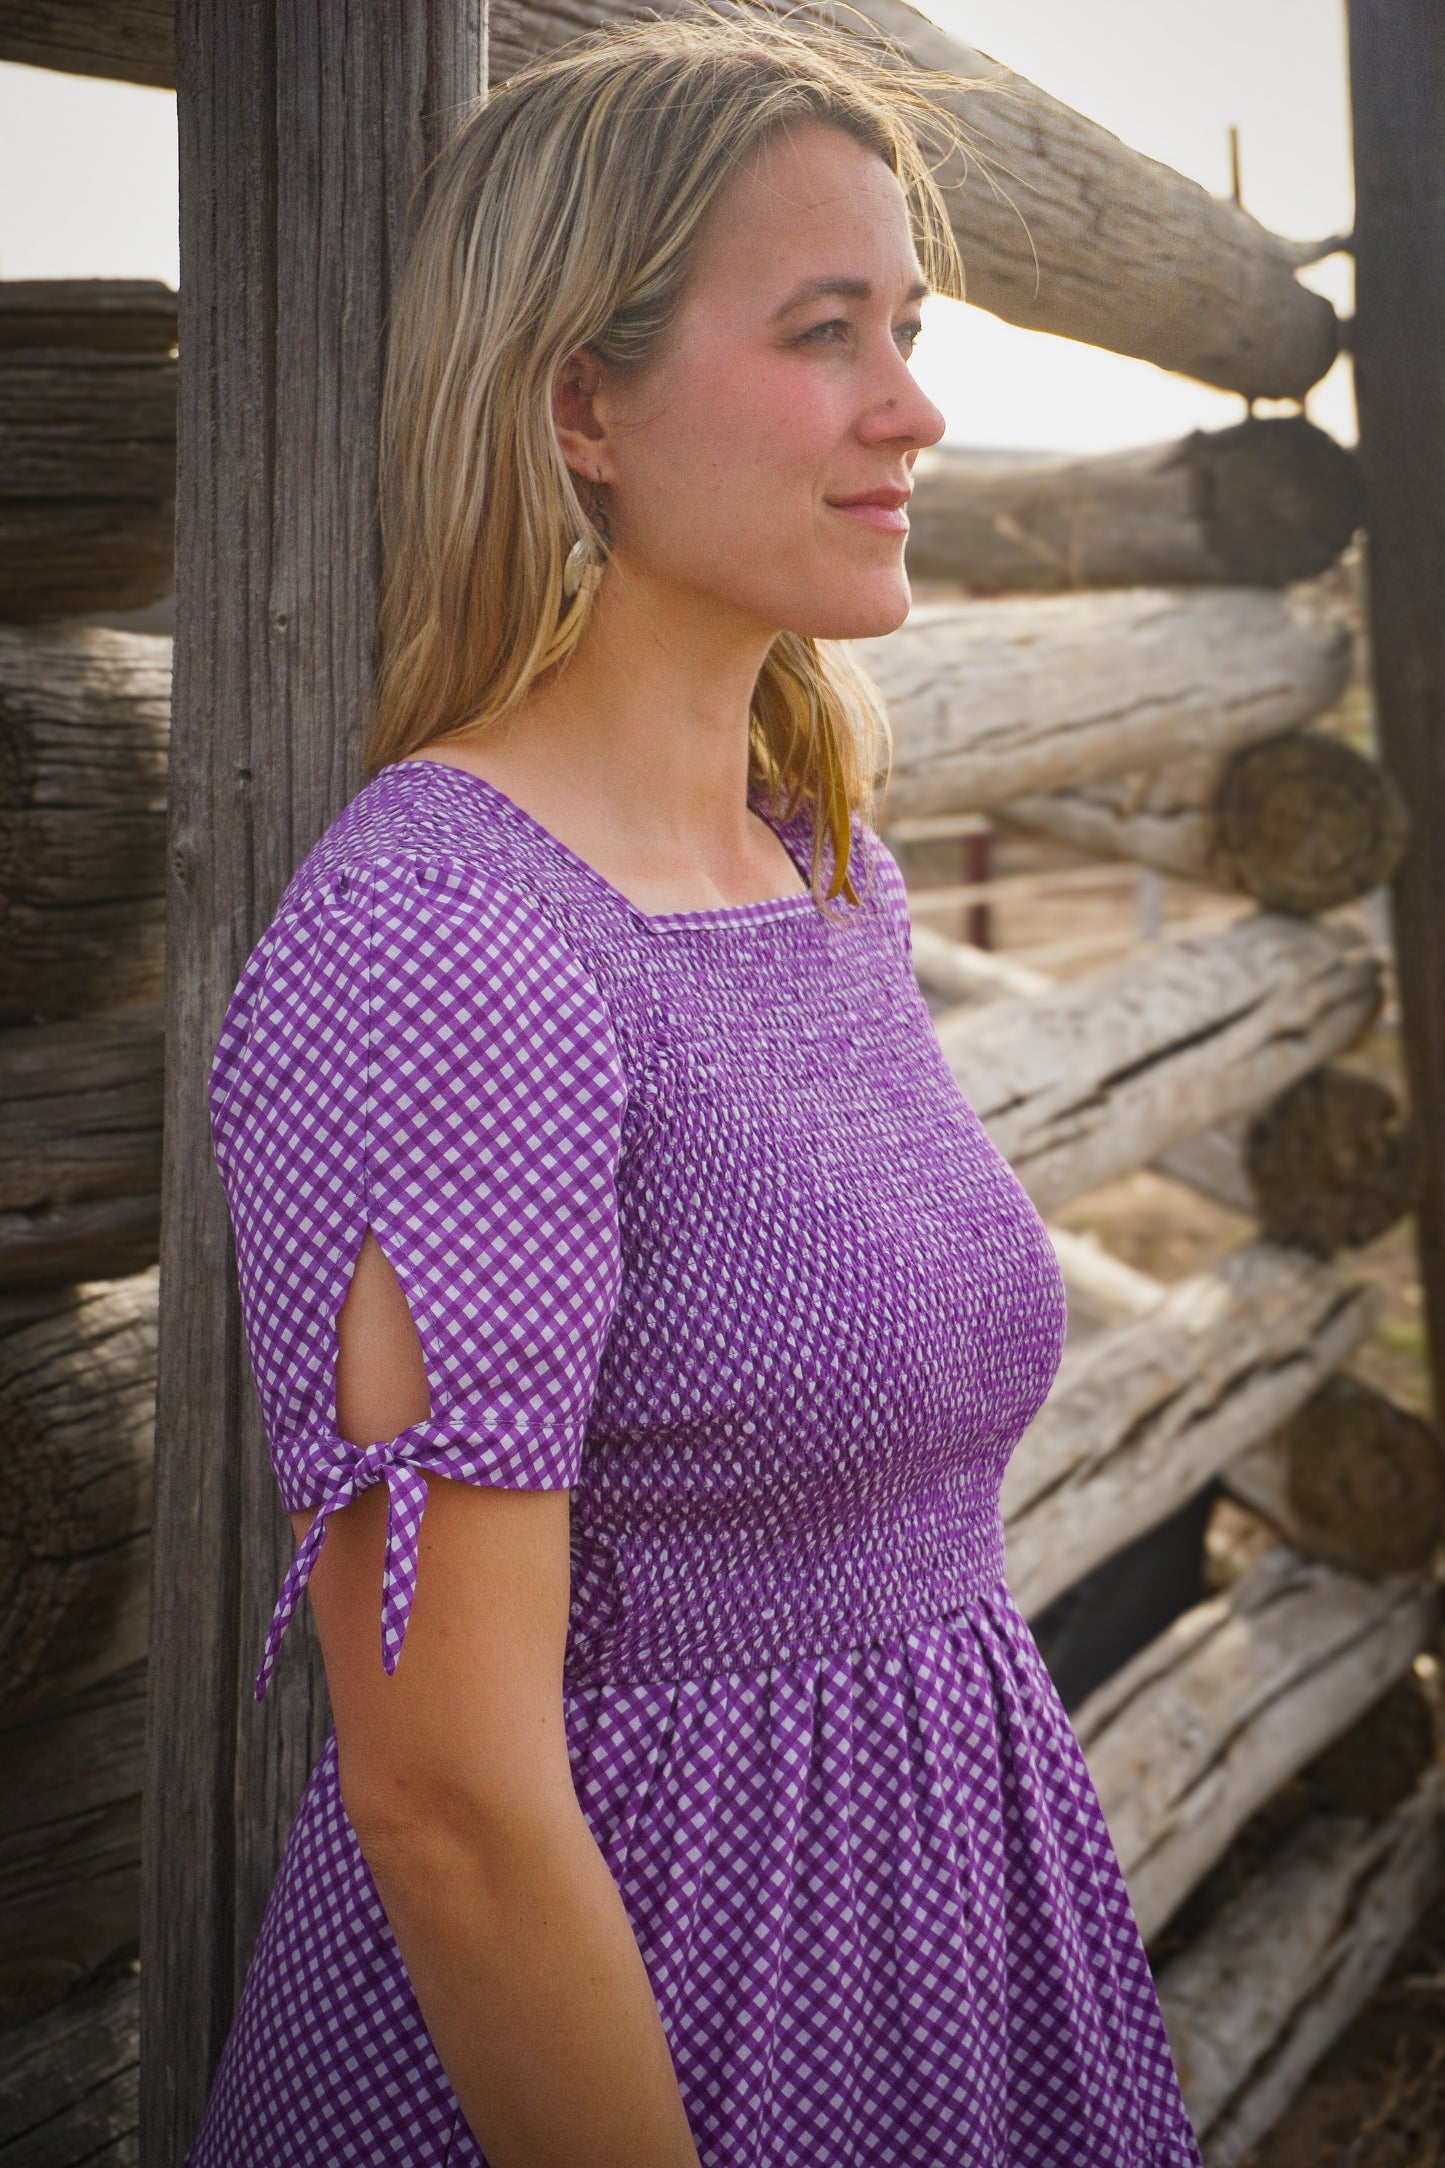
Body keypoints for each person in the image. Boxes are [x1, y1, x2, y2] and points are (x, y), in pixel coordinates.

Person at [186, 10, 1204, 2164]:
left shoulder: (815, 861)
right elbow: (444, 1797)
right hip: (652, 2026)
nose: (914, 408)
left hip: (940, 1958)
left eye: (910, 328)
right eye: (826, 331)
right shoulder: (450, 952)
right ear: (583, 401)